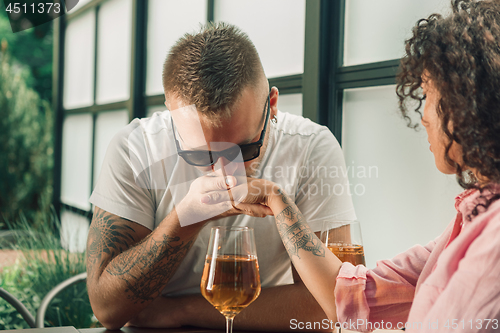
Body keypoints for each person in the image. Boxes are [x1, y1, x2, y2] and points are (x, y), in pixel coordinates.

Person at [206, 0, 500, 331]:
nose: (423, 116)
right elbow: (353, 296)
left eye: (429, 96)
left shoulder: (493, 240)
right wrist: (279, 202)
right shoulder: (471, 215)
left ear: (468, 105)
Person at [86, 22, 356, 330]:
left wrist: (179, 312)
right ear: (171, 114)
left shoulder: (311, 147)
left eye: (245, 150)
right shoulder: (136, 147)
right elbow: (107, 309)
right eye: (202, 156)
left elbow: (334, 306)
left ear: (272, 104)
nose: (228, 172)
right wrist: (188, 216)